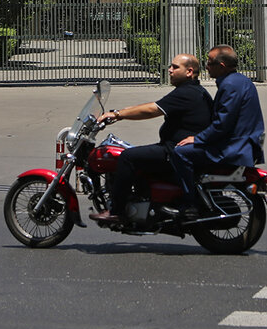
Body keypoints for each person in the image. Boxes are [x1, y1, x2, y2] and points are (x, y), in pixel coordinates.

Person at [88, 54, 212, 226]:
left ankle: (117, 211)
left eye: (175, 67)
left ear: (189, 71)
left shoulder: (186, 93)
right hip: (177, 148)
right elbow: (154, 104)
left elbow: (151, 110)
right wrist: (118, 112)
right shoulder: (192, 90)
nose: (170, 70)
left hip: (173, 150)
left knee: (127, 157)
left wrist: (118, 115)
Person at [172, 44, 265, 215]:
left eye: (209, 62)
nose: (206, 66)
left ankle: (189, 202)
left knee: (180, 152)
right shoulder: (240, 80)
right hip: (241, 141)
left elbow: (222, 123)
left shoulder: (230, 85)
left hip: (234, 147)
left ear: (221, 66)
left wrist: (198, 138)